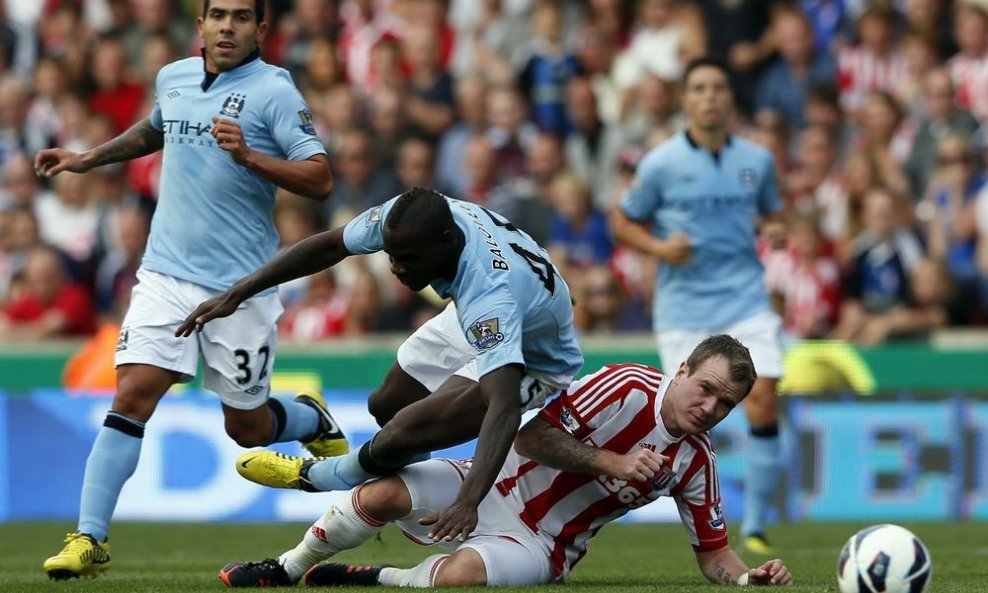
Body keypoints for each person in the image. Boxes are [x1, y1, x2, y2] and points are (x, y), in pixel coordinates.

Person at [36, 0, 341, 580]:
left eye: (243, 17)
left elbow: (320, 178)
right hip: (164, 274)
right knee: (131, 397)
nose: (229, 26)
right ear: (199, 24)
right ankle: (89, 538)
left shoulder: (275, 91)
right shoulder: (173, 77)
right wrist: (87, 159)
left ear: (262, 29)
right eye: (218, 14)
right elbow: (157, 128)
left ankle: (308, 419)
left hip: (242, 286)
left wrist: (250, 156)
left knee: (246, 428)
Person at [176, 186, 583, 546]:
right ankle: (411, 499)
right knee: (386, 405)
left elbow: (505, 405)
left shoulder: (489, 294)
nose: (394, 268)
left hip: (535, 358)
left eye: (407, 259)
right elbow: (331, 244)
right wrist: (238, 292)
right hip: (485, 316)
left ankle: (318, 475)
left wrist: (467, 502)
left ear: (445, 242)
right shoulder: (408, 216)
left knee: (401, 432)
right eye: (391, 255)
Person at [216, 335, 793, 589]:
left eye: (727, 403)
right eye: (707, 388)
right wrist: (612, 463)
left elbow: (713, 553)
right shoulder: (626, 387)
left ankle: (372, 578)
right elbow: (529, 437)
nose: (711, 407)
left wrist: (746, 579)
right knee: (379, 495)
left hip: (543, 546)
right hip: (488, 483)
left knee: (462, 576)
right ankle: (288, 569)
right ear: (684, 371)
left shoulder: (697, 463)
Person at [611, 56, 785, 555]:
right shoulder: (661, 162)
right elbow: (622, 222)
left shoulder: (757, 161)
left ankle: (755, 523)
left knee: (765, 395)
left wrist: (775, 227)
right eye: (700, 88)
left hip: (745, 297)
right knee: (687, 416)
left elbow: (775, 211)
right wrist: (661, 250)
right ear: (686, 99)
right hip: (685, 307)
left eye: (718, 88)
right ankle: (691, 520)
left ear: (730, 99)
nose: (710, 96)